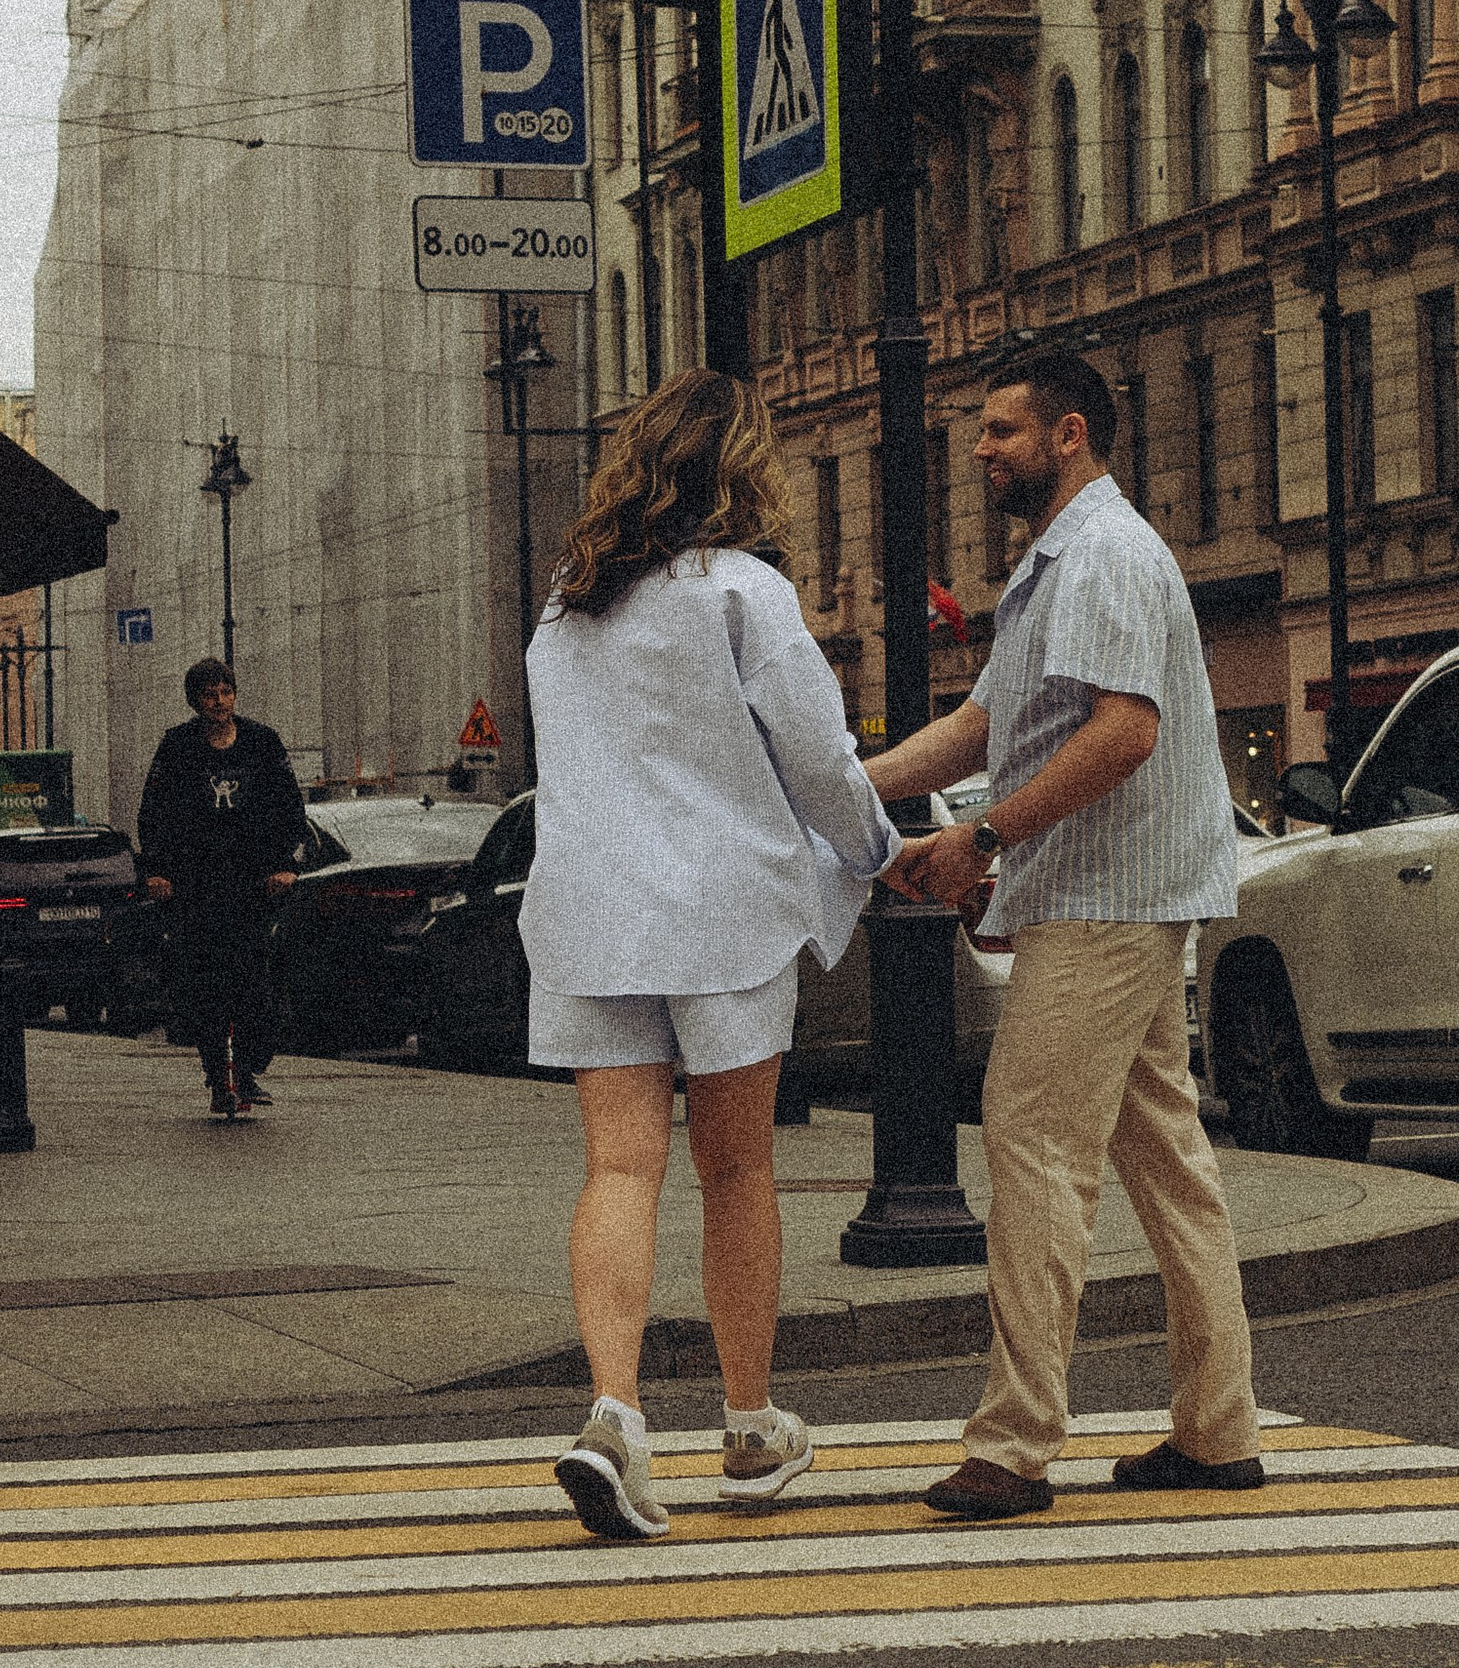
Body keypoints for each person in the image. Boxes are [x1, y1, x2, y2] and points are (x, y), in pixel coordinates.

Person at [868, 353, 1262, 1518]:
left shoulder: (1101, 554)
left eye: (1000, 431)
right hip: (1114, 891)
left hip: (1106, 897)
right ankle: (1216, 1428)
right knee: (1165, 1161)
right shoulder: (1057, 567)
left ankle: (1015, 1443)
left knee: (1032, 1146)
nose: (981, 451)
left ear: (1070, 434)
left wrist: (981, 841)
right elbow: (989, 722)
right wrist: (850, 789)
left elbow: (1123, 733)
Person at [521, 368, 898, 1544]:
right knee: (735, 1173)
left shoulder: (564, 607)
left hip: (590, 912)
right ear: (743, 469)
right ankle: (746, 1426)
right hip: (722, 912)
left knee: (618, 1169)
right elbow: (820, 759)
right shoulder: (745, 592)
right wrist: (880, 851)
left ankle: (615, 1416)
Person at [139, 660, 306, 1122]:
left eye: (226, 692)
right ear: (195, 701)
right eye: (210, 694)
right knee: (206, 986)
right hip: (196, 888)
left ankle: (250, 1066)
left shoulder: (262, 743)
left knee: (255, 984)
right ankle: (218, 1074)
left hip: (251, 886)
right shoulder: (177, 747)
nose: (220, 702)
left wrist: (284, 866)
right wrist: (157, 871)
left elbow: (291, 809)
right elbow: (153, 813)